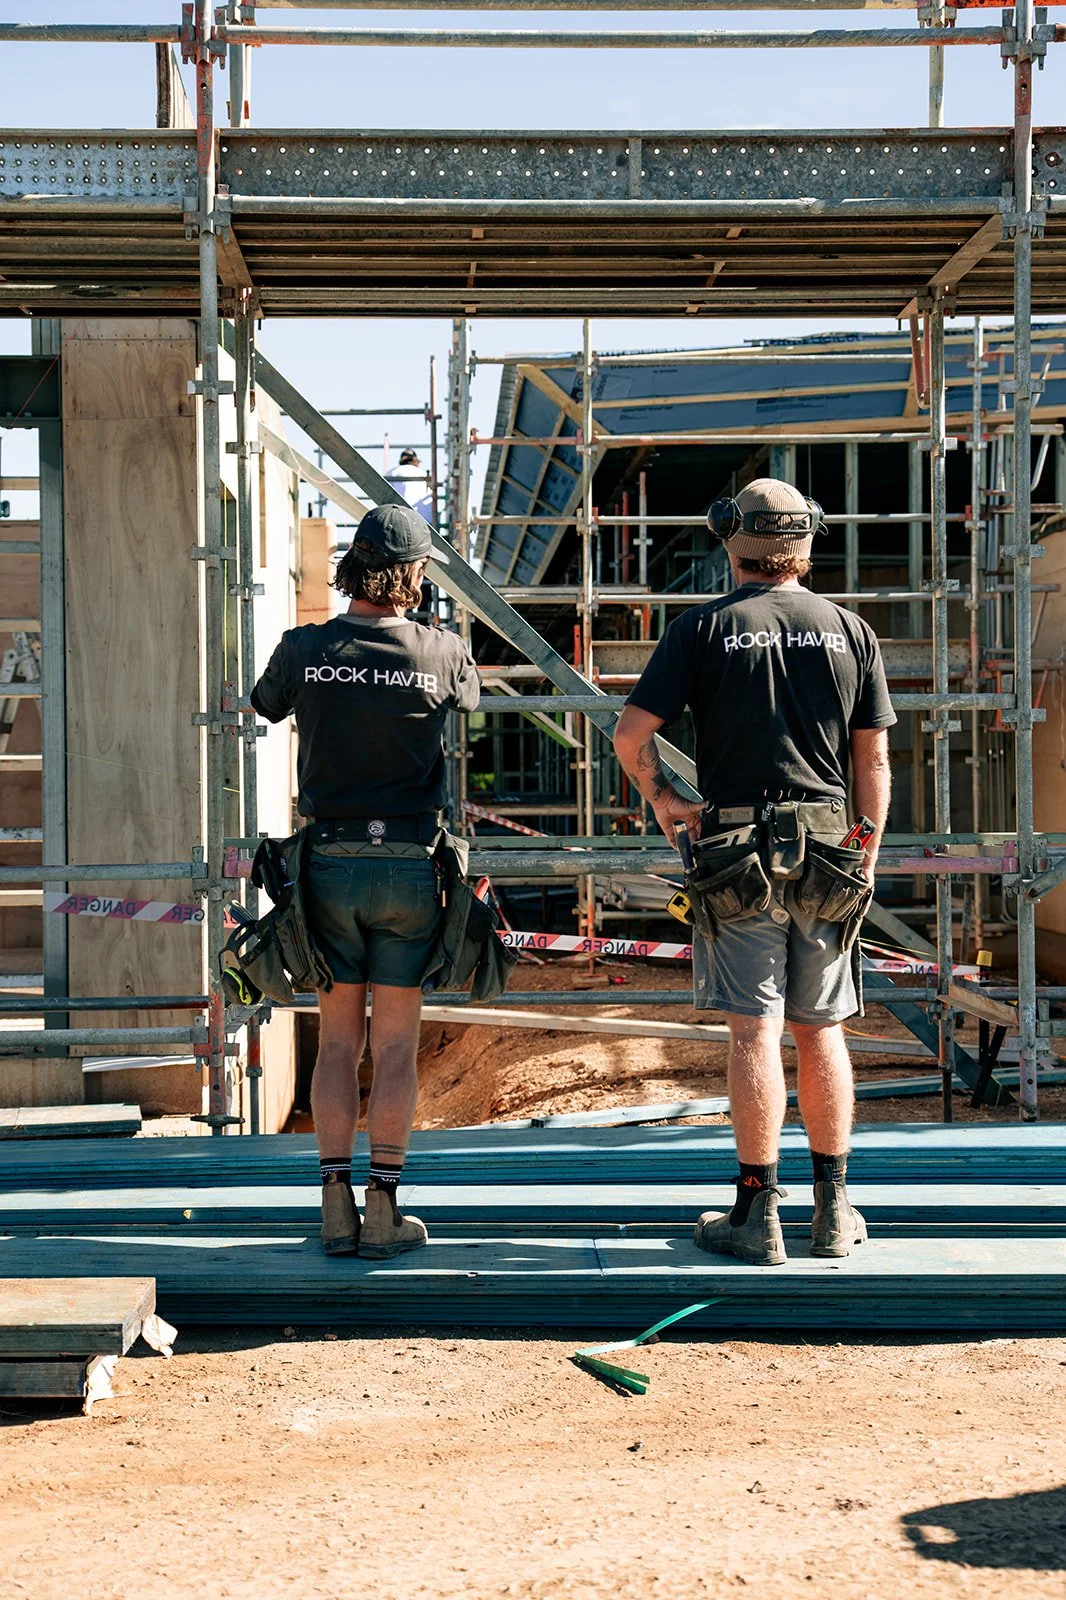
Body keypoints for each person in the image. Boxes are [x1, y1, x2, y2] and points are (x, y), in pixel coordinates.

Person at [613, 478, 895, 1267]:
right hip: (831, 841)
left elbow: (632, 735)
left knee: (754, 1030)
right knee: (824, 1030)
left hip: (736, 844)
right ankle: (834, 1212)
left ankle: (755, 1214)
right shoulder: (850, 630)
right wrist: (863, 845)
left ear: (732, 540)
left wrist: (669, 801)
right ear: (806, 544)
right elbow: (871, 755)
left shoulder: (703, 629)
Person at [251, 504, 480, 1259]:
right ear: (413, 575)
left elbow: (263, 703)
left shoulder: (305, 648)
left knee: (336, 1041)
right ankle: (384, 1207)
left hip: (330, 865)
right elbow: (471, 702)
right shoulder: (441, 651)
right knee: (395, 1046)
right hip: (411, 866)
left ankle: (332, 1203)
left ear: (352, 568)